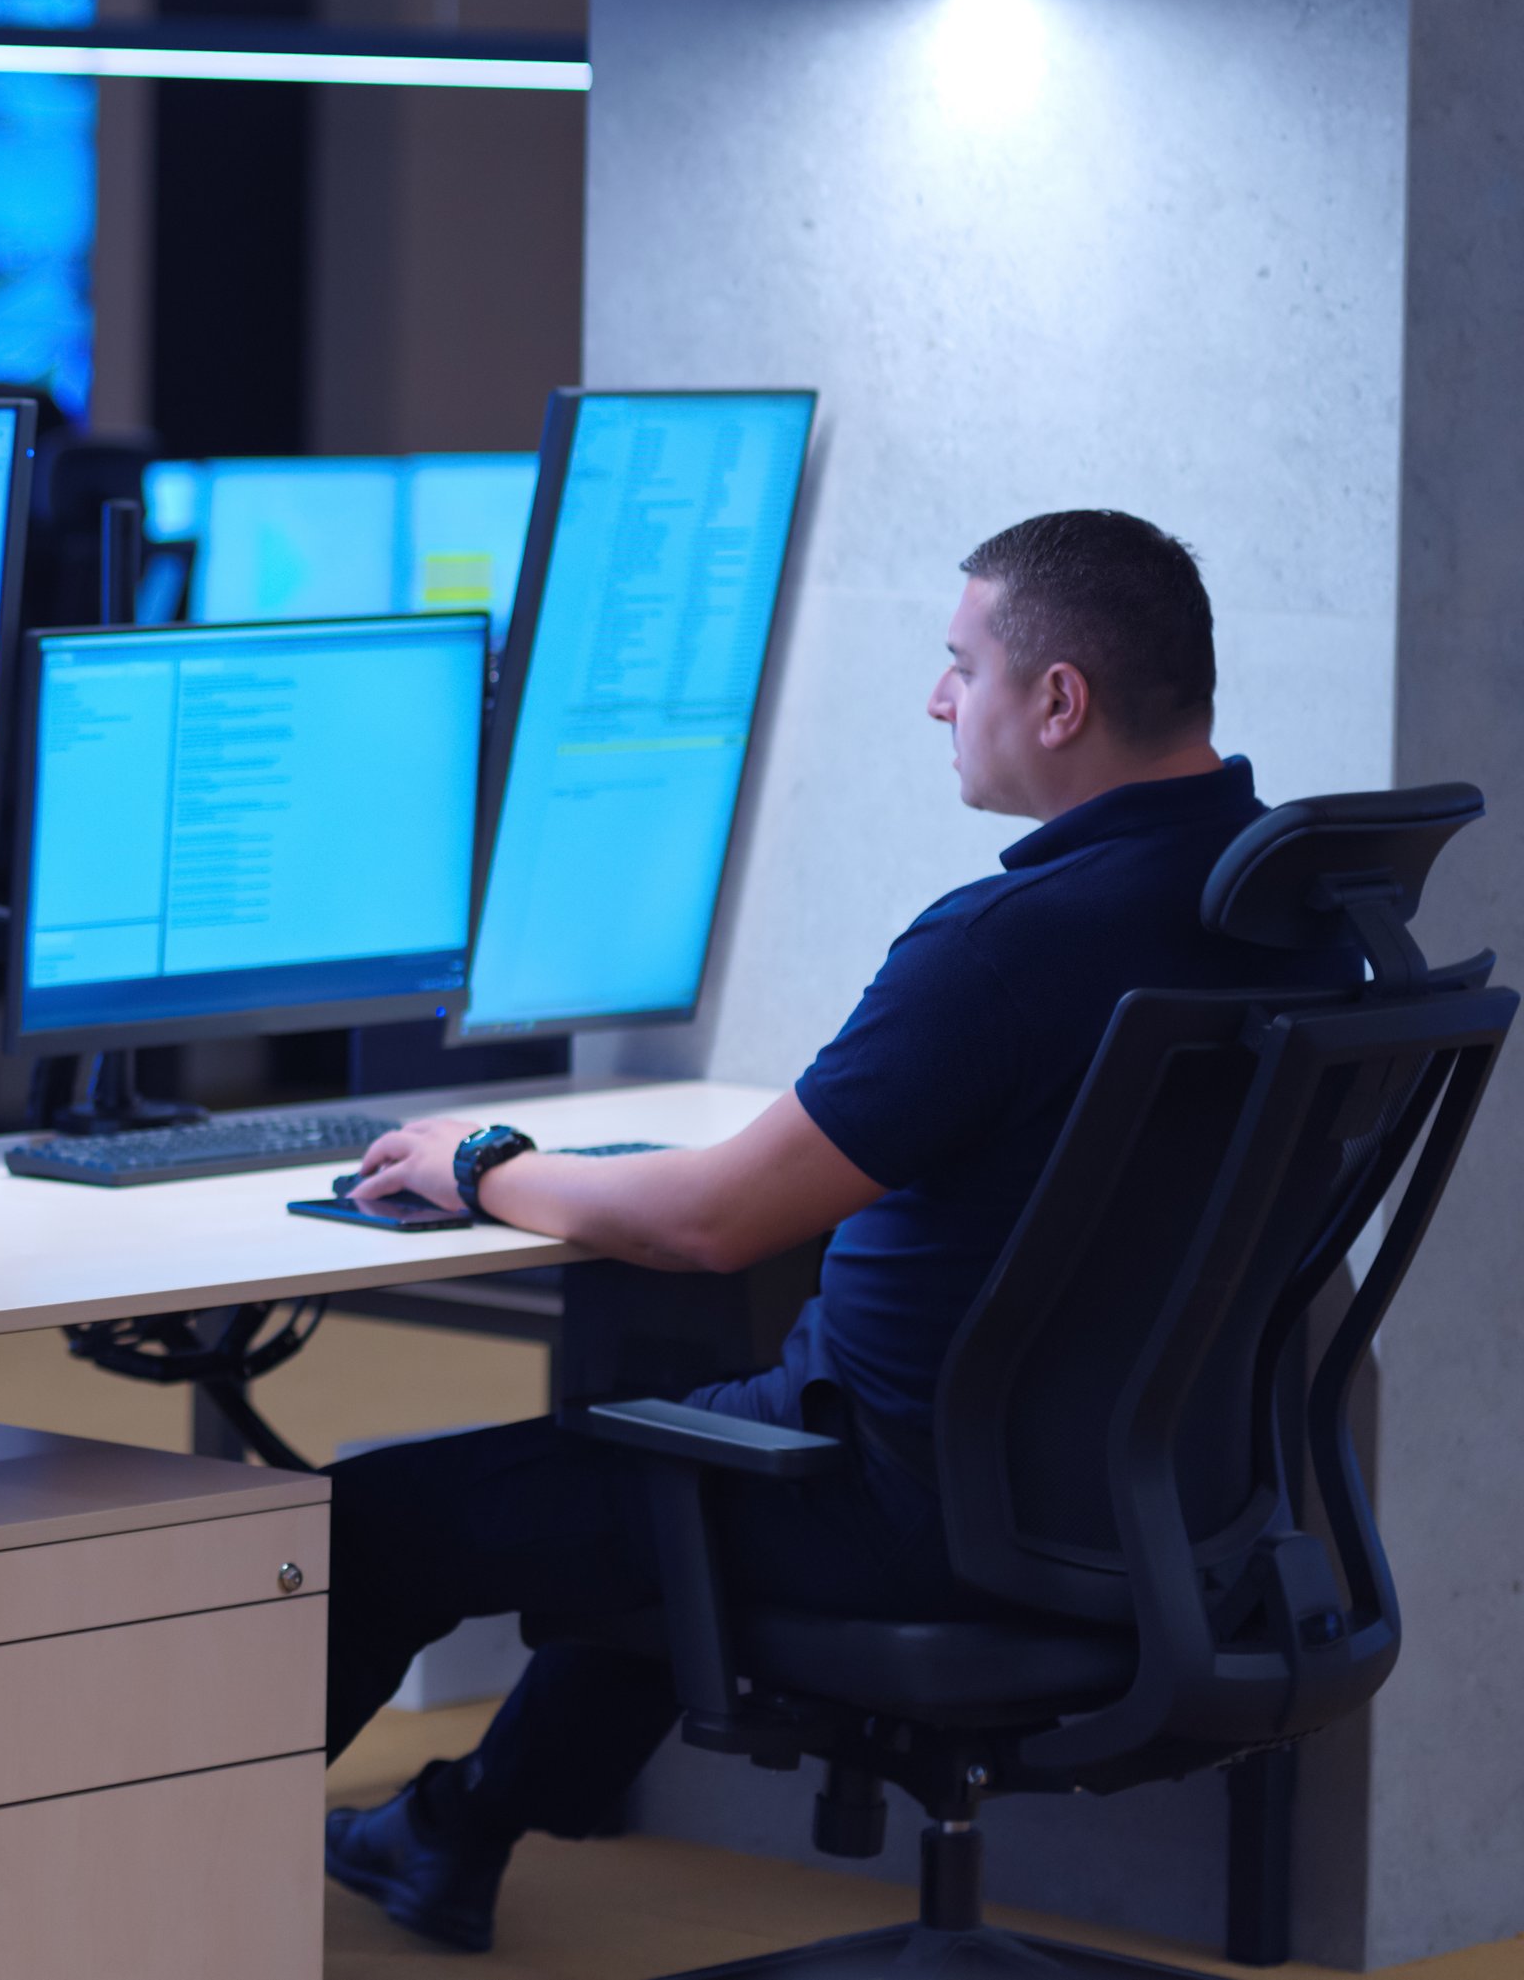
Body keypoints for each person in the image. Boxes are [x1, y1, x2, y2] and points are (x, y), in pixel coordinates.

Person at [318, 511, 1356, 1953]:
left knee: (384, 1517)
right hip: (1188, 1522)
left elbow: (711, 1221)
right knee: (658, 1464)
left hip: (881, 1506)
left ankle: (143, 1897)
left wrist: (486, 1160)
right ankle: (449, 1832)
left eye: (959, 664)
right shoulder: (1309, 920)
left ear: (1057, 700)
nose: (939, 699)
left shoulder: (1006, 945)